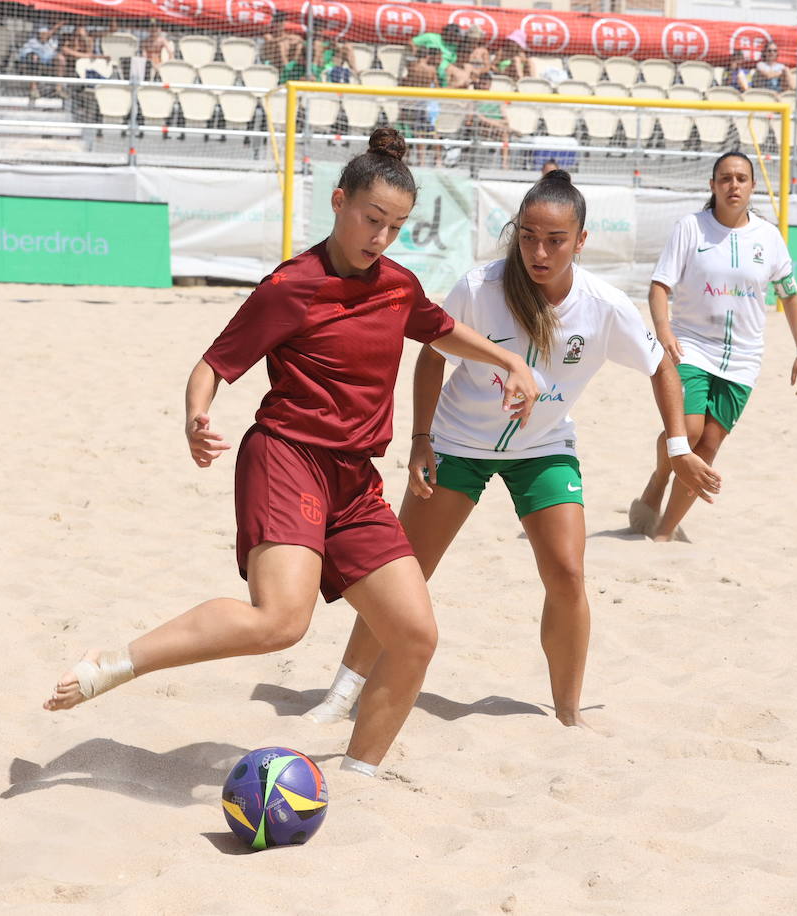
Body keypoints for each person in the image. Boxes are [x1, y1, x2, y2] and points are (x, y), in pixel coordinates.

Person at [44, 129, 540, 779]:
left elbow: (442, 330)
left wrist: (506, 359)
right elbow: (213, 366)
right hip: (288, 457)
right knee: (280, 620)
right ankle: (112, 663)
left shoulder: (398, 285)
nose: (381, 238)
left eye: (395, 227)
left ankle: (357, 781)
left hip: (355, 480)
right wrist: (196, 416)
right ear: (338, 202)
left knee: (416, 635)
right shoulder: (293, 286)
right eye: (371, 219)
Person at [303, 170, 721, 730]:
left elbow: (661, 364)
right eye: (527, 236)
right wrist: (421, 439)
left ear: (581, 240)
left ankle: (568, 715)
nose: (539, 251)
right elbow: (432, 356)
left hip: (543, 448)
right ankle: (340, 693)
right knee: (405, 574)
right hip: (458, 442)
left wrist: (677, 446)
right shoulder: (480, 288)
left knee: (568, 574)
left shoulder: (603, 304)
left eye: (555, 240)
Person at [632, 151, 797, 542]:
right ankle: (659, 478)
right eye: (726, 178)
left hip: (744, 359)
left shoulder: (768, 237)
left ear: (752, 186)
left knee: (710, 444)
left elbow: (792, 294)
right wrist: (663, 330)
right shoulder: (691, 228)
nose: (734, 185)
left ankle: (663, 533)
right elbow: (660, 286)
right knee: (690, 430)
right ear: (713, 186)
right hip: (691, 347)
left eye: (742, 179)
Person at [16, 23, 66, 98]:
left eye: (45, 34)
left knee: (61, 59)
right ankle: (34, 89)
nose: (43, 36)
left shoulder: (53, 41)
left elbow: (53, 52)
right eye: (42, 34)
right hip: (35, 62)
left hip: (49, 62)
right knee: (34, 58)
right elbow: (24, 53)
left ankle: (58, 89)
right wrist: (33, 54)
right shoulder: (32, 41)